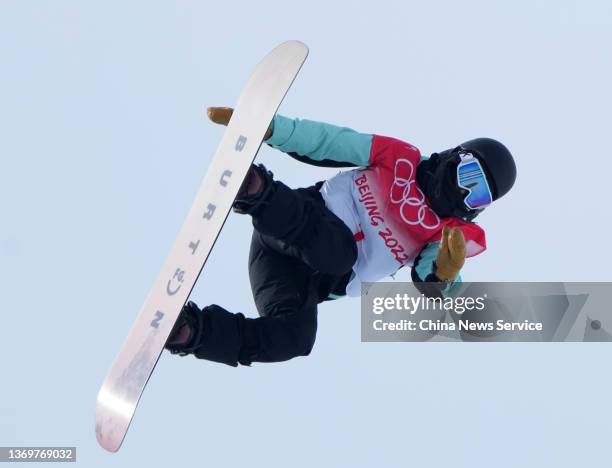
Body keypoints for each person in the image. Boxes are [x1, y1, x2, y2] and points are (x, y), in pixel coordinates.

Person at [164, 107, 517, 366]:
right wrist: (269, 129)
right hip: (290, 222)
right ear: (455, 157)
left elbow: (430, 279)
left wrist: (446, 270)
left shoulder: (449, 232)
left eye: (477, 195)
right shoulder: (399, 158)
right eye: (467, 174)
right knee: (339, 252)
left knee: (296, 340)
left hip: (294, 276)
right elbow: (329, 142)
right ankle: (254, 189)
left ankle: (192, 332)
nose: (462, 192)